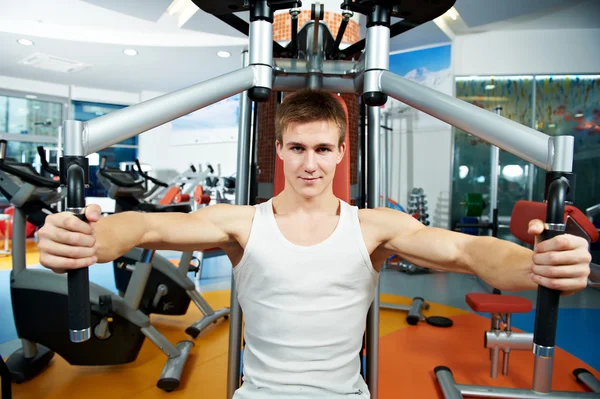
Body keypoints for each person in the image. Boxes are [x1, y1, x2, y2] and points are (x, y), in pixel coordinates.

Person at [38, 90, 591, 398]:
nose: (309, 163)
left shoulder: (374, 227)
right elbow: (146, 227)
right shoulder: (242, 223)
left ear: (340, 152)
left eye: (323, 149)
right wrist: (89, 239)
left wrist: (539, 264)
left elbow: (468, 254)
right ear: (278, 150)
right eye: (297, 148)